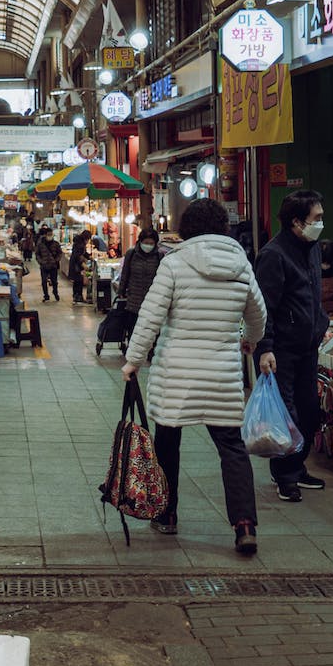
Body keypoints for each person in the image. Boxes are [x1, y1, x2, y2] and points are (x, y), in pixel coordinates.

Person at [122, 198, 266, 556]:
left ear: (186, 228)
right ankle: (244, 524)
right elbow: (259, 314)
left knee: (168, 441)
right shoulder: (240, 264)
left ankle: (167, 515)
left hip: (178, 372)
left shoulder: (174, 264)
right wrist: (250, 340)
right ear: (222, 227)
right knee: (232, 447)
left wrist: (133, 360)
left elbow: (150, 317)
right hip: (222, 372)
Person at [254, 190, 329, 502]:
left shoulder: (311, 249)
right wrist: (265, 347)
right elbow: (263, 307)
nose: (321, 223)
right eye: (317, 218)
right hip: (282, 348)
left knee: (310, 411)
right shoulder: (273, 255)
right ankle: (285, 476)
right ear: (297, 222)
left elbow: (311, 294)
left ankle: (296, 466)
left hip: (308, 346)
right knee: (287, 414)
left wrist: (320, 323)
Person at [115, 225, 165, 330]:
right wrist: (121, 292)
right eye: (146, 243)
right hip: (133, 302)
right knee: (133, 331)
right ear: (140, 242)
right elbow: (125, 274)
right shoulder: (131, 254)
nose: (148, 246)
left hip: (152, 302)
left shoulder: (159, 257)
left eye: (151, 243)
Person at [33, 225, 62, 301]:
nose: (50, 236)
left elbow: (60, 253)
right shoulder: (40, 244)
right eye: (49, 235)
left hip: (53, 266)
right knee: (44, 281)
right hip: (44, 266)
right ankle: (46, 295)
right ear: (45, 235)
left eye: (51, 235)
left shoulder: (56, 244)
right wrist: (41, 262)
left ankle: (55, 292)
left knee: (54, 281)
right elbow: (37, 254)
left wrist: (56, 260)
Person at [69, 227, 93, 304]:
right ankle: (78, 297)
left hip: (75, 264)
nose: (88, 241)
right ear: (86, 238)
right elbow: (77, 256)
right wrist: (82, 264)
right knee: (78, 281)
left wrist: (89, 257)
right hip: (76, 265)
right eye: (88, 239)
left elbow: (83, 253)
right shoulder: (80, 244)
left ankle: (76, 297)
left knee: (77, 281)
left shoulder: (79, 242)